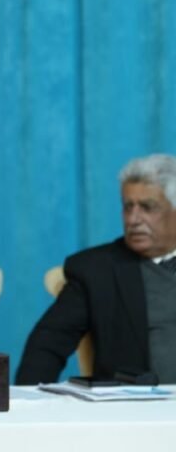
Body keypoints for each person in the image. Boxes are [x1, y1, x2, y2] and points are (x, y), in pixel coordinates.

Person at [16, 154, 176, 385]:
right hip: (134, 404)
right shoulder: (96, 270)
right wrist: (27, 402)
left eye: (147, 207)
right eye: (128, 206)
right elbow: (48, 344)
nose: (133, 219)